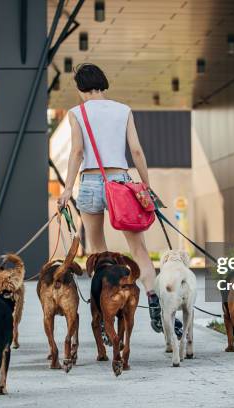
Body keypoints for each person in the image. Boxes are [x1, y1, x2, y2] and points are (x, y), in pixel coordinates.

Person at [57, 63, 181, 337]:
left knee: (98, 256)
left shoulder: (77, 113)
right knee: (139, 252)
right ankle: (153, 299)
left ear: (80, 88)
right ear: (103, 83)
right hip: (122, 184)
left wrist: (67, 188)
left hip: (90, 183)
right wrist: (145, 187)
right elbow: (136, 151)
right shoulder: (123, 110)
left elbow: (77, 152)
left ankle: (104, 316)